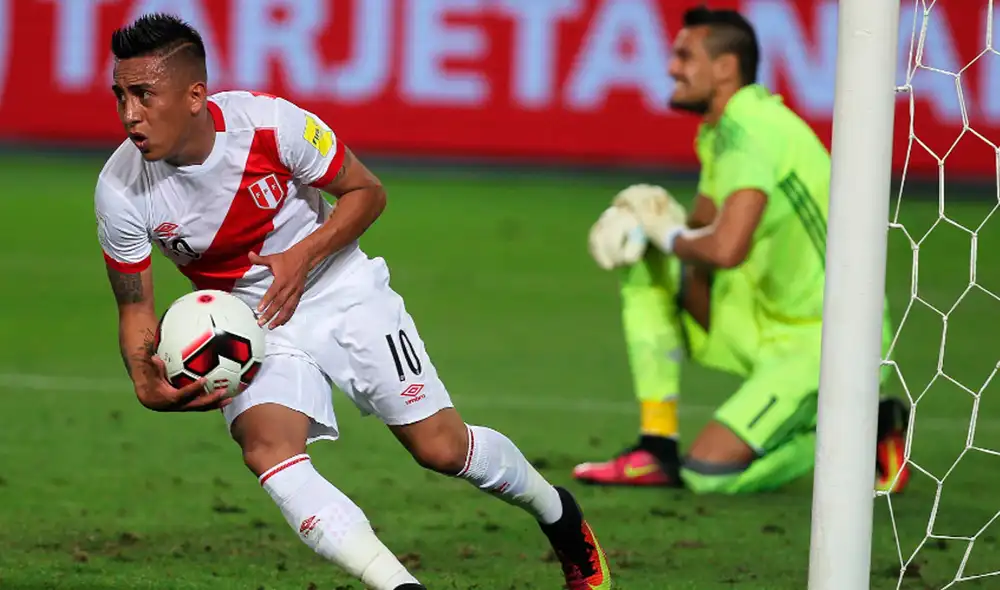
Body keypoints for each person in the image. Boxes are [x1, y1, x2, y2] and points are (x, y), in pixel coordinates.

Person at [95, 13, 611, 590]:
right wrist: (143, 376)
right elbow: (135, 306)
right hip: (250, 327)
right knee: (267, 450)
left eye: (144, 94)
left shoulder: (271, 125)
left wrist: (305, 254)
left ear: (194, 95)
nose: (129, 114)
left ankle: (560, 516)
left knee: (442, 449)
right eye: (120, 95)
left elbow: (366, 192)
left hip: (344, 292)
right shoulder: (119, 189)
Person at [576, 6, 909, 495]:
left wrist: (665, 233)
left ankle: (869, 431)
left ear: (726, 67)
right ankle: (656, 445)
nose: (671, 67)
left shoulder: (752, 132)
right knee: (646, 264)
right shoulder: (719, 131)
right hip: (762, 320)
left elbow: (727, 248)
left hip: (826, 340)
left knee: (709, 476)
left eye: (685, 56)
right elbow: (701, 232)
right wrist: (647, 222)